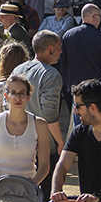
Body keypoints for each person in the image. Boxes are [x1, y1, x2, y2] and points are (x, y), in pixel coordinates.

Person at [0, 74, 50, 185]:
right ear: (6, 96)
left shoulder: (40, 124)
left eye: (22, 93)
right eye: (13, 93)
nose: (18, 98)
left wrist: (33, 184)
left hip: (28, 186)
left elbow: (45, 165)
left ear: (28, 97)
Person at [16, 31, 64, 175]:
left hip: (19, 142)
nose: (61, 51)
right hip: (43, 146)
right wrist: (60, 142)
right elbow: (49, 114)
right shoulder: (50, 74)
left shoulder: (18, 69)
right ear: (50, 49)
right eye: (59, 48)